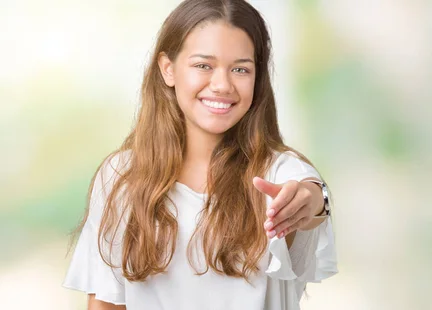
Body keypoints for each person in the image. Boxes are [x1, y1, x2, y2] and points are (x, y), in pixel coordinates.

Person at [62, 0, 338, 309]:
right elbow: (106, 302)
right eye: (203, 65)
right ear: (168, 69)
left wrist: (311, 201)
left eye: (240, 69)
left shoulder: (277, 172)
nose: (222, 85)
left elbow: (309, 195)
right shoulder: (121, 175)